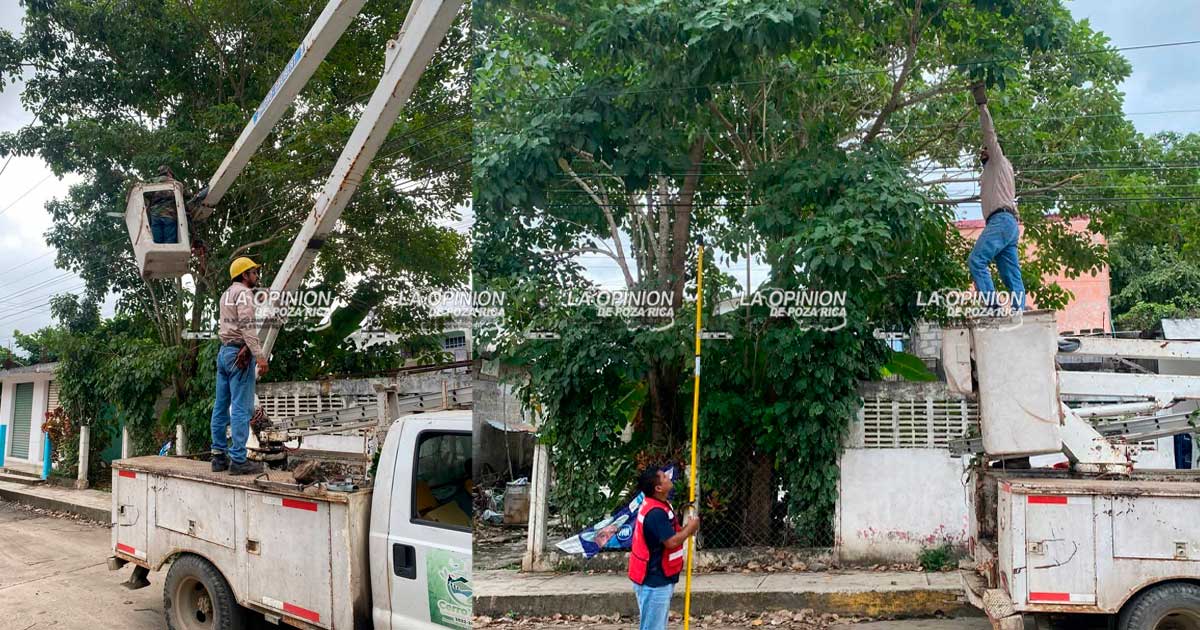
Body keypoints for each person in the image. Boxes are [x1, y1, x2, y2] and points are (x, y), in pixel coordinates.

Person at [968, 83, 1026, 312]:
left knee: (977, 261)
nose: (982, 153)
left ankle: (992, 306)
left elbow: (989, 133)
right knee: (1012, 273)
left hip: (1001, 221)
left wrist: (982, 105)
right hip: (1009, 223)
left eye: (985, 150)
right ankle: (1019, 309)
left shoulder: (998, 161)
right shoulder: (996, 172)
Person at [211, 257, 270, 475]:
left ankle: (218, 457)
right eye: (254, 272)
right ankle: (238, 460)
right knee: (240, 408)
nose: (256, 276)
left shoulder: (226, 294)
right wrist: (260, 356)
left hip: (224, 352)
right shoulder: (245, 294)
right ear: (244, 275)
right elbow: (247, 327)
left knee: (220, 406)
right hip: (240, 355)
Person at [628, 466, 700, 630]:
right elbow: (671, 542)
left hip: (656, 576)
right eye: (664, 477)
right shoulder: (655, 512)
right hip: (654, 580)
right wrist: (691, 528)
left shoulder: (657, 504)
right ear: (658, 488)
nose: (668, 477)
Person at [147, 165, 179, 244]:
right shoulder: (175, 183)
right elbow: (186, 194)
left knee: (157, 242)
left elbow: (143, 192)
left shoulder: (152, 181)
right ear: (169, 173)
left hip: (155, 215)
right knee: (169, 242)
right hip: (169, 215)